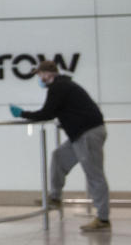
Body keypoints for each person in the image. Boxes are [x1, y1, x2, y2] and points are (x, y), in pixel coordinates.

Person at [10, 60, 109, 233]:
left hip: (88, 134)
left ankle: (103, 218)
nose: (39, 78)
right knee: (58, 157)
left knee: (94, 175)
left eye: (40, 74)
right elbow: (62, 111)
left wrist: (22, 114)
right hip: (81, 134)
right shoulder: (63, 86)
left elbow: (46, 113)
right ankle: (55, 197)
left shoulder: (58, 87)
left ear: (48, 74)